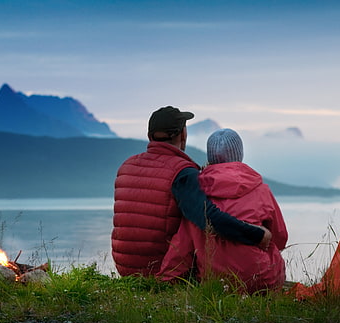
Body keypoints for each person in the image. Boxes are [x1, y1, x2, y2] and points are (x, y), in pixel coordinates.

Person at [111, 107, 271, 277]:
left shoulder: (127, 166)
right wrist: (257, 234)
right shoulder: (182, 172)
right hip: (161, 269)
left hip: (126, 269)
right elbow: (209, 219)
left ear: (150, 136)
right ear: (183, 135)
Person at [158, 128, 288, 292]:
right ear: (239, 154)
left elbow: (182, 245)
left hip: (216, 282)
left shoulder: (197, 196)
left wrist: (165, 280)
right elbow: (280, 237)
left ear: (210, 157)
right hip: (262, 280)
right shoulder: (261, 189)